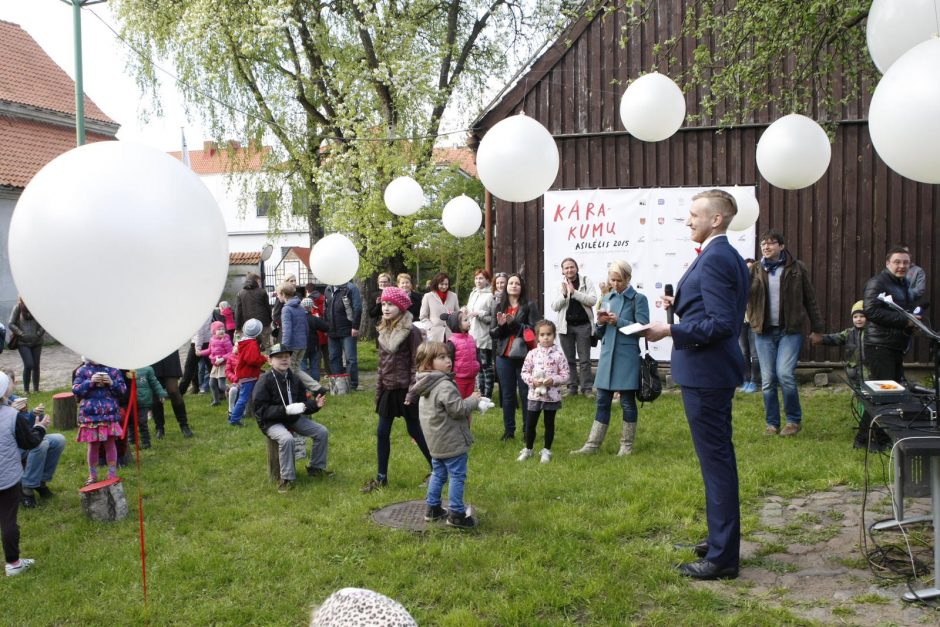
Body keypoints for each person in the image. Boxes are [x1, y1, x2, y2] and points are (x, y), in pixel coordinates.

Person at [645, 188, 749, 581]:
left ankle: (723, 558)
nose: (688, 221)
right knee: (716, 462)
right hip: (708, 373)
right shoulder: (720, 254)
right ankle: (720, 541)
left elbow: (722, 325)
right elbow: (712, 312)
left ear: (716, 219)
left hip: (707, 374)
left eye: (694, 214)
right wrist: (682, 311)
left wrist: (670, 328)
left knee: (717, 463)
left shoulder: (718, 257)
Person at [746, 230, 824, 437]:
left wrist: (818, 329)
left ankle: (793, 421)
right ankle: (772, 424)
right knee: (768, 379)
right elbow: (740, 294)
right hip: (763, 332)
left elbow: (810, 300)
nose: (766, 247)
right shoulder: (754, 269)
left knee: (785, 374)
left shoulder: (797, 268)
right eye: (763, 244)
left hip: (790, 331)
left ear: (781, 246)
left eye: (771, 243)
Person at [571, 260, 649, 456]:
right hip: (607, 355)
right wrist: (600, 323)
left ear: (628, 278)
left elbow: (643, 328)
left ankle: (626, 446)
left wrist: (618, 321)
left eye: (619, 280)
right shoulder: (607, 297)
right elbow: (600, 333)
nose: (615, 284)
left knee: (627, 402)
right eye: (612, 280)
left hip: (627, 356)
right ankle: (592, 444)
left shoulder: (639, 299)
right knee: (602, 400)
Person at [362, 287, 433, 493]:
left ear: (401, 307)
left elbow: (417, 365)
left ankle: (437, 468)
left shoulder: (412, 332)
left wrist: (413, 393)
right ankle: (381, 477)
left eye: (390, 304)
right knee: (382, 432)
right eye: (383, 304)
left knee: (415, 430)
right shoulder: (383, 330)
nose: (385, 308)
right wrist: (378, 393)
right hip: (388, 389)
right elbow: (381, 366)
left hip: (407, 389)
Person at [409, 341, 481, 529]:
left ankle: (432, 508)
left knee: (438, 473)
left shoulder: (424, 383)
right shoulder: (444, 386)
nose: (448, 360)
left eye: (448, 356)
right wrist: (473, 401)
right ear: (427, 363)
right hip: (451, 442)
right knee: (457, 475)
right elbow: (458, 410)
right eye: (441, 357)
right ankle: (456, 514)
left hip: (435, 442)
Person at [253, 343, 330, 493]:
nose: (284, 360)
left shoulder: (294, 378)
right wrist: (286, 410)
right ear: (270, 361)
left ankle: (316, 468)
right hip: (271, 422)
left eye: (287, 357)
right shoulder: (264, 381)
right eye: (279, 357)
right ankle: (287, 478)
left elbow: (302, 402)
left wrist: (315, 405)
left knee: (321, 432)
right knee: (287, 439)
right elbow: (261, 411)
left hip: (292, 419)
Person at [812, 300, 883, 449]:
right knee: (862, 404)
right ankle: (865, 427)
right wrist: (822, 339)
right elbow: (835, 338)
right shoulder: (848, 333)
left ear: (868, 318)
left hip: (872, 376)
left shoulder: (874, 332)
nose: (859, 319)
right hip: (856, 376)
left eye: (862, 316)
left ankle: (872, 431)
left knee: (872, 404)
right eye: (855, 316)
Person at [1, 371, 50, 577]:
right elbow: (30, 443)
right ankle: (14, 563)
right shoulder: (12, 416)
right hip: (6, 478)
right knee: (8, 520)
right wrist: (39, 427)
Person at [2, 370, 64, 509]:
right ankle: (27, 487)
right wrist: (10, 411)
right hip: (11, 447)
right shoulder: (6, 406)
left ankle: (41, 481)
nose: (8, 386)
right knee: (41, 444)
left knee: (58, 440)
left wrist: (35, 417)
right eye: (5, 383)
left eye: (9, 383)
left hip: (24, 440)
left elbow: (25, 427)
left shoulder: (16, 399)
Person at [490, 273, 539, 441]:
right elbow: (493, 333)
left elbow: (534, 329)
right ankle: (509, 431)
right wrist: (502, 326)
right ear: (506, 287)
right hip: (503, 355)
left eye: (517, 283)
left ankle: (528, 430)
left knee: (526, 393)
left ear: (521, 287)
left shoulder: (529, 306)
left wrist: (514, 323)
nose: (513, 286)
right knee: (507, 395)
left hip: (523, 355)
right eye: (511, 283)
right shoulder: (499, 306)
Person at [863, 246, 919, 384]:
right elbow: (871, 311)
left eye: (906, 262)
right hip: (880, 346)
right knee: (885, 391)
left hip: (896, 345)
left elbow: (904, 310)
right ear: (888, 263)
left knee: (895, 390)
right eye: (897, 262)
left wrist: (913, 324)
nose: (902, 266)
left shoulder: (904, 283)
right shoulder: (877, 282)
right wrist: (906, 320)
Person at [519, 320, 569, 463]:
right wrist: (532, 381)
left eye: (549, 334)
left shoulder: (559, 355)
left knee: (549, 424)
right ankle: (528, 449)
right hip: (534, 395)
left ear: (554, 336)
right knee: (530, 424)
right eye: (542, 334)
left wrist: (553, 380)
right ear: (537, 337)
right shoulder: (532, 354)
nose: (546, 337)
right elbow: (524, 372)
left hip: (552, 397)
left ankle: (546, 450)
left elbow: (566, 374)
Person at [73, 359, 127, 484]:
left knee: (110, 443)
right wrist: (90, 382)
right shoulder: (82, 370)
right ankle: (93, 475)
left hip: (109, 415)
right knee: (93, 445)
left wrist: (112, 383)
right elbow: (76, 390)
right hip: (91, 416)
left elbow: (123, 390)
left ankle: (112, 473)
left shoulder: (113, 369)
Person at [551, 257, 597, 397]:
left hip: (583, 326)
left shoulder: (586, 281)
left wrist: (575, 293)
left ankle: (587, 388)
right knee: (569, 359)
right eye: (566, 268)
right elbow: (554, 306)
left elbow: (592, 300)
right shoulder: (559, 285)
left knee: (585, 360)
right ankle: (572, 388)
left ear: (577, 268)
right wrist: (565, 294)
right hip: (565, 327)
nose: (569, 270)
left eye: (572, 267)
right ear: (562, 271)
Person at [278, 282, 321, 395]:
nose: (278, 297)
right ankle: (317, 387)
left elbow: (287, 330)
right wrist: (304, 341)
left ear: (283, 294)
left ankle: (293, 393)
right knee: (296, 370)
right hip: (302, 344)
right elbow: (305, 327)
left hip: (292, 345)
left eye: (278, 294)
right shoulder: (300, 307)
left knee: (288, 370)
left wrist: (284, 348)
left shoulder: (286, 309)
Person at [325, 281, 363, 391]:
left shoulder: (350, 288)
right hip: (331, 330)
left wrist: (355, 326)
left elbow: (357, 308)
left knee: (350, 358)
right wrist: (325, 326)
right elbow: (326, 309)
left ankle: (352, 384)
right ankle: (338, 384)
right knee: (333, 357)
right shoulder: (328, 289)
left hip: (347, 329)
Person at [230, 319, 268, 428]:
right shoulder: (252, 344)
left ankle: (254, 414)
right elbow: (252, 360)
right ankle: (234, 419)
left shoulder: (245, 342)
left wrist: (261, 357)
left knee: (249, 396)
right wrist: (263, 359)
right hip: (248, 375)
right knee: (243, 398)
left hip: (246, 374)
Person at [149, 350, 193, 439]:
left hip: (169, 351)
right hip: (152, 353)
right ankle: (159, 428)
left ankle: (184, 425)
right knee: (155, 394)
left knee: (173, 391)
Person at [465, 268, 495, 398]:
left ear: (487, 280)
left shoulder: (490, 296)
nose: (478, 281)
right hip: (472, 336)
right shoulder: (473, 294)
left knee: (486, 366)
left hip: (484, 337)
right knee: (477, 366)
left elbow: (492, 319)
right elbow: (469, 311)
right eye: (476, 278)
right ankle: (480, 394)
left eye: (481, 278)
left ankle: (488, 395)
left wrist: (480, 314)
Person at [7, 297, 44, 394]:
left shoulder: (37, 307)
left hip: (37, 342)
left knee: (36, 365)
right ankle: (26, 390)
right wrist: (20, 333)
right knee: (29, 364)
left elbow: (44, 322)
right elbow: (11, 323)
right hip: (23, 343)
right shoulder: (18, 308)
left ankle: (36, 389)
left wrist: (39, 333)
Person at [442, 310, 480, 399]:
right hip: (459, 379)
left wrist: (478, 365)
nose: (469, 322)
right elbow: (449, 360)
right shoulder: (452, 341)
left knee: (470, 402)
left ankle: (468, 413)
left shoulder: (471, 338)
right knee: (460, 402)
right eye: (465, 320)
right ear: (457, 324)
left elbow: (476, 354)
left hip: (471, 378)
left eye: (468, 320)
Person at [738, 258, 761, 393]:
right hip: (741, 322)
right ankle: (745, 380)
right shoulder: (738, 283)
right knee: (743, 352)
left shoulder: (758, 283)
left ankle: (754, 381)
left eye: (751, 268)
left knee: (754, 353)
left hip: (754, 322)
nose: (748, 271)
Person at [130, 365, 165, 449]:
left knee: (142, 422)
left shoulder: (147, 369)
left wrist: (160, 393)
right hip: (130, 402)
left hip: (143, 401)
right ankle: (132, 440)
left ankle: (146, 442)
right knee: (131, 422)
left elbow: (154, 382)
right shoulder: (126, 369)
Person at [235, 272, 273, 349]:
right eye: (259, 281)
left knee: (251, 347)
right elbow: (268, 308)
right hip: (264, 324)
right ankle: (266, 360)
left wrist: (238, 328)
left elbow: (238, 312)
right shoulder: (262, 292)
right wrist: (270, 321)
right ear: (255, 280)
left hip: (249, 326)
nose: (260, 283)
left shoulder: (240, 293)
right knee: (266, 346)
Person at [420, 272, 460, 342]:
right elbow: (423, 317)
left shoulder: (454, 296)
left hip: (450, 335)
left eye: (446, 284)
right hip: (434, 335)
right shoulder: (428, 296)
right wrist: (431, 327)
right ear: (436, 284)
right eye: (441, 284)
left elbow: (457, 314)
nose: (444, 286)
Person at [205, 321, 233, 407]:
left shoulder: (226, 340)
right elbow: (209, 351)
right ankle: (216, 401)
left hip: (223, 365)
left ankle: (233, 392)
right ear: (214, 332)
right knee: (212, 384)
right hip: (215, 365)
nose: (221, 331)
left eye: (223, 329)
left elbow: (231, 353)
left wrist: (222, 359)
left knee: (222, 386)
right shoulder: (212, 340)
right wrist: (200, 352)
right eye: (219, 329)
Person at [271, 273, 298, 342]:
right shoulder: (281, 297)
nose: (294, 283)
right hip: (285, 329)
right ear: (286, 282)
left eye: (295, 280)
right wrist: (287, 320)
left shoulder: (298, 294)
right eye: (291, 281)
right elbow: (276, 316)